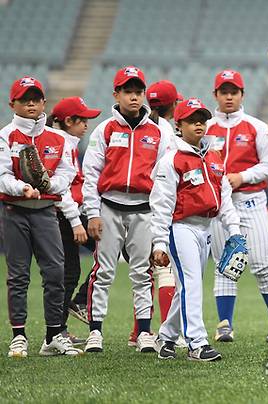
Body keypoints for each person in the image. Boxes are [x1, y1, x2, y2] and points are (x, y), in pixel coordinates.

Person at [82, 66, 171, 353]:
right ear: (116, 94)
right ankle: (95, 331)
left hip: (144, 210)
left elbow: (164, 179)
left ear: (144, 94)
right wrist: (92, 213)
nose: (134, 97)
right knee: (103, 271)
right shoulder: (104, 129)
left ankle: (144, 332)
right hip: (109, 207)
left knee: (142, 273)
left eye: (138, 92)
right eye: (128, 92)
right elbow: (91, 173)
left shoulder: (158, 133)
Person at [150, 98, 241, 362]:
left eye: (202, 118)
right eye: (192, 119)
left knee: (189, 286)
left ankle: (166, 336)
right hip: (181, 228)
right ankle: (197, 343)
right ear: (178, 125)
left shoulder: (214, 156)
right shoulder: (172, 160)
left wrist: (233, 229)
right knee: (191, 283)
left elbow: (224, 197)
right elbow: (162, 204)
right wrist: (159, 242)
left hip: (207, 228)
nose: (199, 123)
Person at [205, 69, 268, 343]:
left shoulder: (257, 126)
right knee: (224, 266)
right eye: (223, 92)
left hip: (251, 202)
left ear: (242, 95)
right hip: (218, 206)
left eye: (234, 92)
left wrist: (242, 176)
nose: (229, 97)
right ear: (215, 95)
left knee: (262, 264)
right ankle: (225, 324)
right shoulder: (204, 127)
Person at [1, 76, 79, 357]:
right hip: (14, 211)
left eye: (36, 98)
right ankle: (18, 336)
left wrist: (47, 186)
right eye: (24, 99)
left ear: (44, 102)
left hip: (46, 211)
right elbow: (2, 176)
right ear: (13, 103)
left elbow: (67, 173)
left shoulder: (59, 139)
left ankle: (52, 336)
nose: (31, 103)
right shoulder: (4, 135)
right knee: (18, 276)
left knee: (56, 272)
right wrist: (22, 188)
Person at [124, 79, 180, 348]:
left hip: (126, 206)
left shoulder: (140, 124)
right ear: (173, 105)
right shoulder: (166, 130)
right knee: (164, 270)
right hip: (154, 205)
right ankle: (168, 334)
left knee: (142, 272)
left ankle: (138, 333)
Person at [47, 96, 102, 345]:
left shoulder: (69, 142)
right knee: (67, 272)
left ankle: (68, 316)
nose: (87, 125)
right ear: (68, 121)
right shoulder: (59, 143)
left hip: (71, 214)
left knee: (103, 253)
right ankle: (57, 331)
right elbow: (60, 187)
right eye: (83, 120)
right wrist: (76, 221)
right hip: (63, 216)